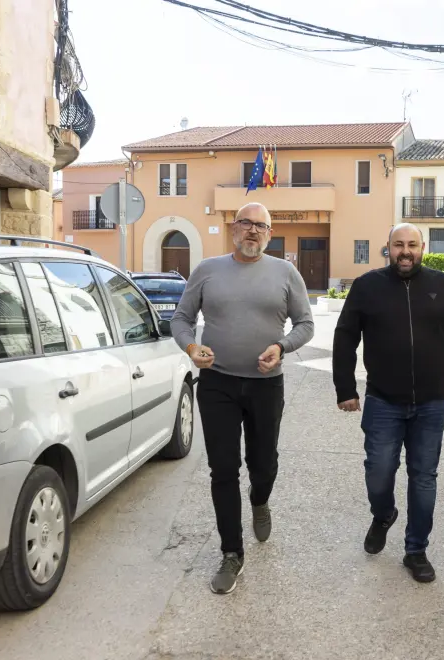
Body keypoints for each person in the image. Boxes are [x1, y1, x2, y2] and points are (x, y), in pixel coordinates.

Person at [171, 202, 314, 595]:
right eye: (246, 223)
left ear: (270, 234)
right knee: (223, 469)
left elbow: (306, 324)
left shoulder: (286, 273)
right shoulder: (207, 271)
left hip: (266, 385)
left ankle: (261, 499)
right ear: (234, 229)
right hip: (217, 382)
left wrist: (282, 347)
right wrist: (190, 348)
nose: (253, 231)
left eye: (261, 226)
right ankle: (232, 554)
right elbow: (181, 319)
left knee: (263, 463)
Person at [333, 223, 444, 583]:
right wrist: (345, 388)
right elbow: (344, 338)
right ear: (388, 248)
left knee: (423, 477)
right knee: (379, 472)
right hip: (383, 400)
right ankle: (383, 515)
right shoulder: (367, 287)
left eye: (412, 244)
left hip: (430, 403)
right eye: (399, 245)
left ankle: (416, 551)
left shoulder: (443, 286)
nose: (405, 251)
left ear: (422, 248)